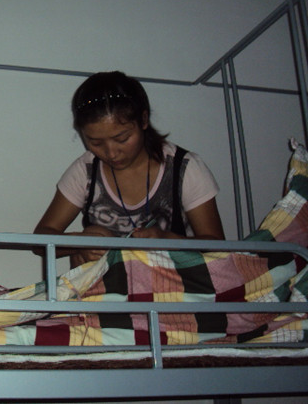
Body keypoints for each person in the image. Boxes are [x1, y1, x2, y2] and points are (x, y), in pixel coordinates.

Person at [33, 71, 225, 268]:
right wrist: (80, 243)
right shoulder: (86, 170)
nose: (111, 153)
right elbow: (41, 241)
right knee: (95, 237)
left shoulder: (184, 167)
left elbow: (217, 246)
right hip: (110, 283)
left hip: (173, 278)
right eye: (95, 143)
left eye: (122, 139)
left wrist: (169, 241)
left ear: (144, 120)